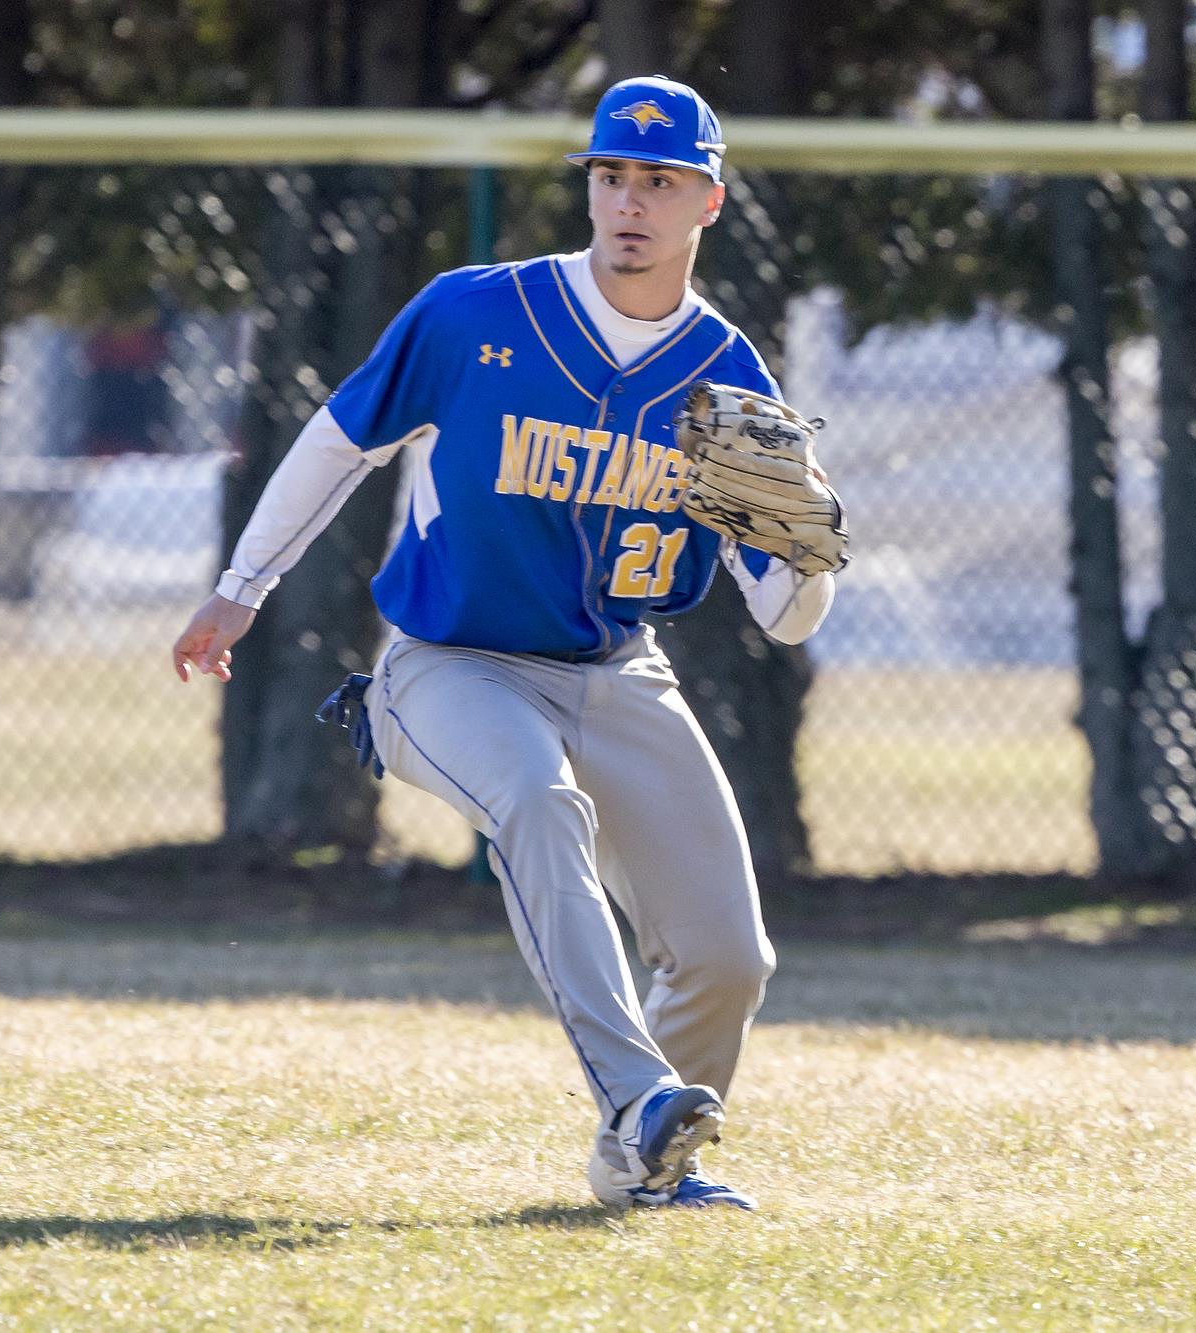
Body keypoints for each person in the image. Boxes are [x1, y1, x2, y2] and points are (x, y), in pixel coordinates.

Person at [171, 76, 839, 1211]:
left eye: (660, 180)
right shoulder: (475, 312)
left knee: (729, 957)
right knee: (537, 801)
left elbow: (783, 616)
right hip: (451, 662)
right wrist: (241, 589)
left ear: (709, 202)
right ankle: (638, 1097)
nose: (629, 201)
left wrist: (808, 546)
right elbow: (338, 443)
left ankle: (641, 1167)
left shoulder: (725, 377)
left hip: (615, 669)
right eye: (610, 175)